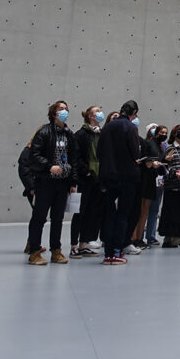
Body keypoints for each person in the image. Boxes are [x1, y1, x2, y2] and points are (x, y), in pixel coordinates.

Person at [25, 100, 77, 265]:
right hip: (46, 182)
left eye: (66, 108)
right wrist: (49, 167)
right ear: (54, 112)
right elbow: (34, 155)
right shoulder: (45, 132)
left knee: (58, 218)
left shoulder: (69, 134)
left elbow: (74, 159)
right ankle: (34, 251)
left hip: (62, 183)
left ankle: (56, 251)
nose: (64, 111)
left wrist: (73, 181)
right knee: (39, 217)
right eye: (61, 108)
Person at [97, 99, 141, 264]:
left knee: (109, 216)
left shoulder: (107, 127)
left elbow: (100, 152)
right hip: (126, 178)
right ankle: (117, 251)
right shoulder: (130, 127)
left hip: (108, 178)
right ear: (133, 113)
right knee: (123, 216)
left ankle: (108, 253)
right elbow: (135, 153)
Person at [70, 104, 104, 258]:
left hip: (98, 178)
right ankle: (73, 245)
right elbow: (76, 157)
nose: (100, 113)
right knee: (80, 212)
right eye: (97, 111)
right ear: (90, 116)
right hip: (86, 178)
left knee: (92, 212)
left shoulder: (101, 134)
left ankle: (84, 243)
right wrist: (86, 171)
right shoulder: (81, 134)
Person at [145, 124, 168, 245]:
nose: (164, 135)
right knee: (144, 209)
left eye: (165, 133)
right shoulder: (148, 143)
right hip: (149, 179)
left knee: (154, 210)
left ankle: (151, 235)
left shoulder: (163, 146)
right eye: (161, 133)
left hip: (160, 180)